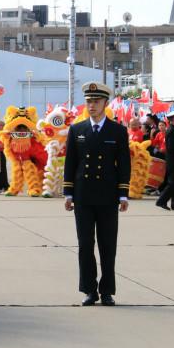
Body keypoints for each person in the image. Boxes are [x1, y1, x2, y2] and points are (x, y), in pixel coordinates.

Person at [63, 81, 130, 307]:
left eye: (96, 101)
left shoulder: (118, 131)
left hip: (108, 196)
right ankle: (89, 290)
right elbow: (70, 163)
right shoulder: (77, 130)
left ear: (105, 103)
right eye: (89, 101)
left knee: (107, 245)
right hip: (83, 195)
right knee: (84, 245)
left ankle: (107, 290)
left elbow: (123, 164)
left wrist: (123, 194)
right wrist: (68, 193)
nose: (92, 106)